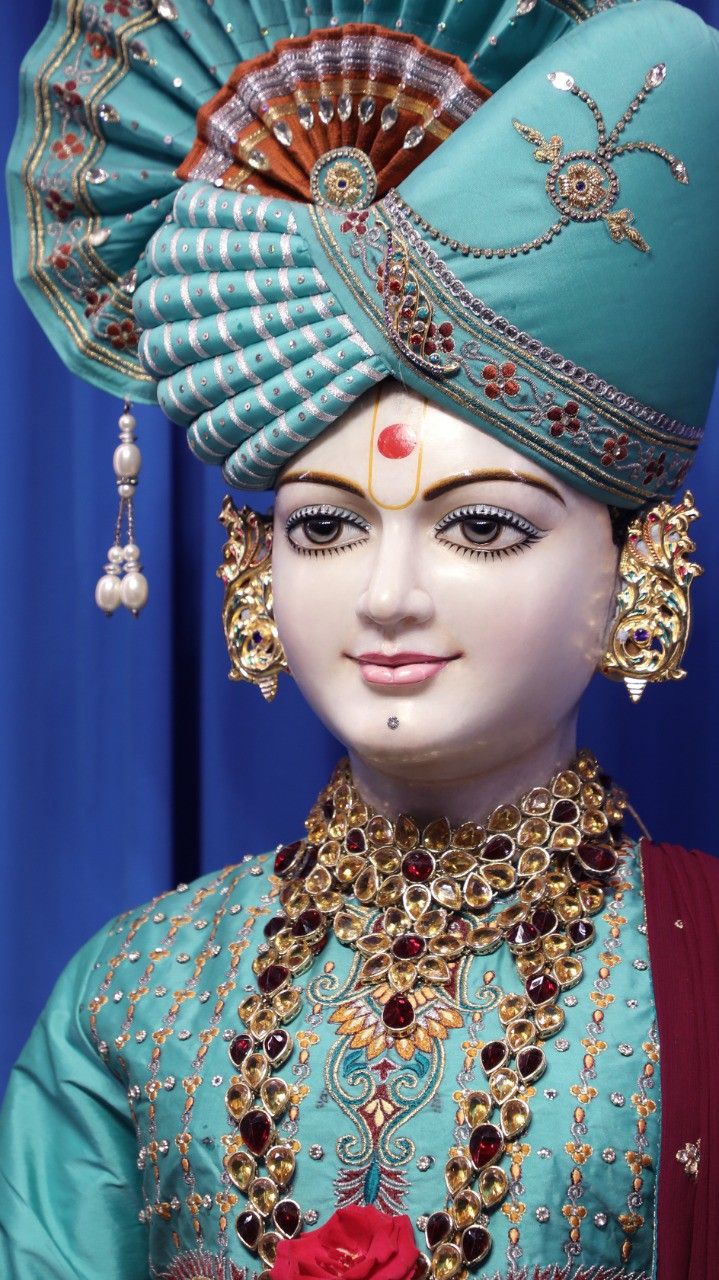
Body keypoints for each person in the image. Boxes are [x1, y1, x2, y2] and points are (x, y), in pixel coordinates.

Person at [1, 0, 718, 1278]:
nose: (386, 594)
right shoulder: (130, 999)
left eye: (480, 526)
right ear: (253, 567)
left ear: (636, 569)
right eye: (325, 527)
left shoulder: (700, 980)